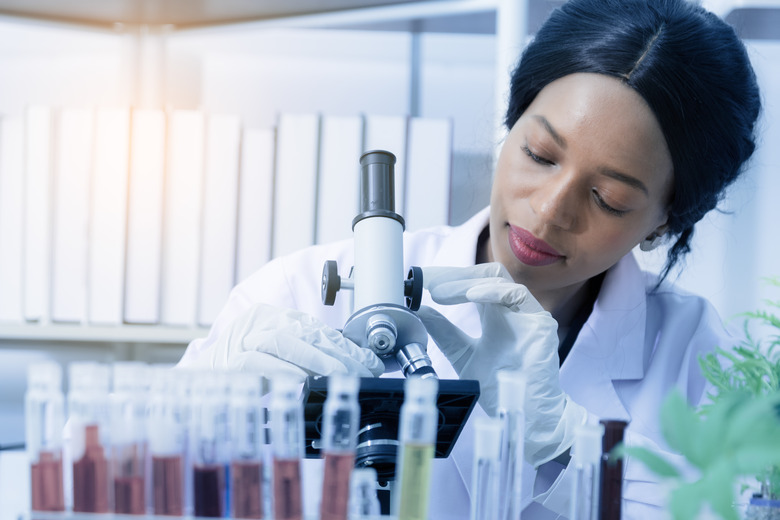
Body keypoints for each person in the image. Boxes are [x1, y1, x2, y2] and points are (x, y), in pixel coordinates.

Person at [178, 0, 762, 517]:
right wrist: (197, 413)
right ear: (511, 123)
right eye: (538, 153)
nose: (551, 209)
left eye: (608, 199)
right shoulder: (299, 291)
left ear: (665, 219)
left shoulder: (698, 356)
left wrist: (571, 448)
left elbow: (740, 509)